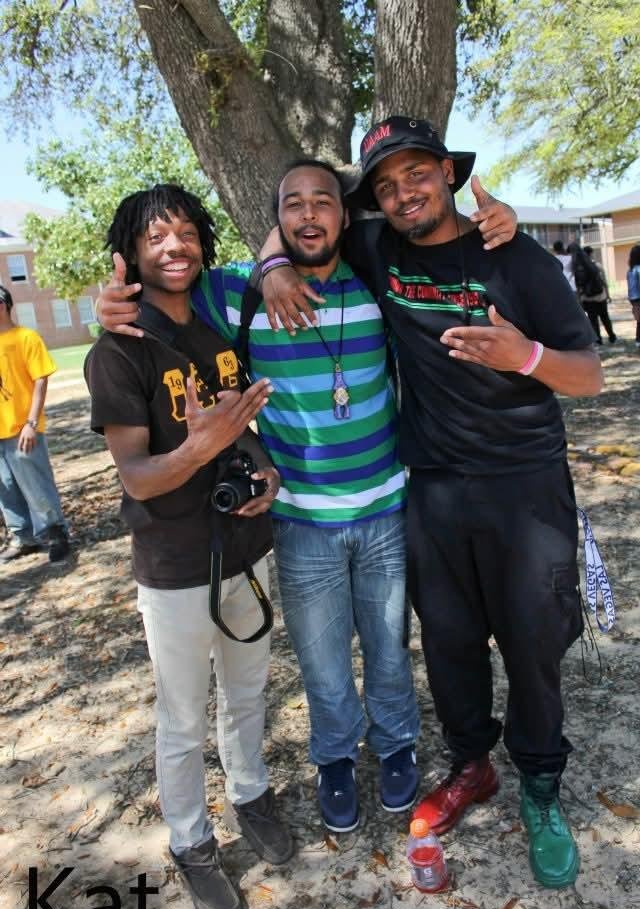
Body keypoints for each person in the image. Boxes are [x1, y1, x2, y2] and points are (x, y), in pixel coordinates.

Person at [96, 163, 519, 835]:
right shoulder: (233, 292)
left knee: (388, 647)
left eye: (324, 202)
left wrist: (501, 223)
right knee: (323, 662)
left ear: (346, 217)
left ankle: (396, 745)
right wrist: (110, 304)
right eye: (293, 205)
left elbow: (447, 253)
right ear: (277, 221)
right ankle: (335, 759)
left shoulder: (378, 278)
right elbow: (161, 288)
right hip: (301, 521)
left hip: (385, 509)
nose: (309, 215)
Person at [261, 116, 603, 889]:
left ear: (449, 173)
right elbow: (302, 223)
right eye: (385, 185)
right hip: (434, 488)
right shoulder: (377, 247)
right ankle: (472, 764)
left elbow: (590, 374)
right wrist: (274, 264)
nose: (402, 192)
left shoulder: (513, 254)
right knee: (449, 642)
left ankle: (540, 786)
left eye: (416, 173)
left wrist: (527, 356)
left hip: (524, 486)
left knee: (533, 643)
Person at [84, 185, 294, 909]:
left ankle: (250, 795)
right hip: (175, 568)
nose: (173, 247)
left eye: (184, 233)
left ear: (202, 243)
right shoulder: (116, 353)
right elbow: (138, 476)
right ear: (130, 254)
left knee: (247, 693)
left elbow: (240, 429)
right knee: (182, 718)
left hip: (246, 549)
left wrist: (264, 470)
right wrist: (198, 448)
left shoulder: (213, 336)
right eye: (155, 237)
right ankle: (191, 841)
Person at [0, 284, 70, 563]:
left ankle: (56, 534)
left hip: (22, 428)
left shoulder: (26, 338)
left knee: (36, 484)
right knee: (5, 488)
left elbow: (40, 380)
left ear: (2, 305)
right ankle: (23, 538)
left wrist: (31, 422)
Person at [581, 246, 616, 345]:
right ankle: (612, 337)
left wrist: (580, 299)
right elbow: (604, 282)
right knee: (605, 318)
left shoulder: (581, 268)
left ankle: (598, 339)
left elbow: (579, 286)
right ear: (591, 254)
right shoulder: (597, 266)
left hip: (587, 299)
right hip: (601, 297)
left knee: (593, 320)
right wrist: (608, 295)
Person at [627, 244, 640, 347]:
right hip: (639, 297)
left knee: (639, 319)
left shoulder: (630, 270)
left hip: (633, 298)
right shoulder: (639, 269)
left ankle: (638, 339)